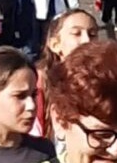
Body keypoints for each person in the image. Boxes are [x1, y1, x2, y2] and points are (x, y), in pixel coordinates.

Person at [33, 8, 99, 137]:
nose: (86, 40)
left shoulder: (107, 79)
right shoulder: (39, 80)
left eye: (92, 34)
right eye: (76, 33)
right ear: (55, 45)